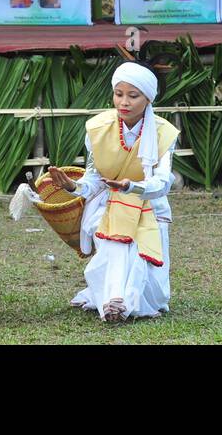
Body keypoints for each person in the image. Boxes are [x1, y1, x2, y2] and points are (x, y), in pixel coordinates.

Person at [48, 62, 179, 321]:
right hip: (108, 205)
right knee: (120, 238)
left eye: (133, 96)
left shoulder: (165, 133)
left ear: (148, 98)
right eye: (119, 94)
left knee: (139, 250)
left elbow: (164, 182)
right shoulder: (97, 129)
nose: (124, 102)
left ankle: (118, 299)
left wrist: (132, 187)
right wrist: (73, 187)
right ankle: (117, 301)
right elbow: (94, 179)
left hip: (150, 206)